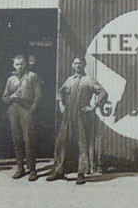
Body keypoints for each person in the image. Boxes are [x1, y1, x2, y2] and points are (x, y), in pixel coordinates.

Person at [46, 56, 108, 185]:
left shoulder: (89, 80)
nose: (78, 65)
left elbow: (102, 93)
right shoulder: (69, 80)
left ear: (84, 65)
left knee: (82, 143)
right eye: (75, 63)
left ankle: (81, 173)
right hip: (68, 114)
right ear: (72, 65)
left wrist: (93, 107)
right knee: (61, 142)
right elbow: (60, 92)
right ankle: (59, 171)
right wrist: (61, 105)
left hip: (81, 114)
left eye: (80, 63)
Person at [2, 54, 42, 181]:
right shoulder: (10, 79)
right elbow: (4, 97)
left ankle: (32, 169)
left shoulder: (33, 77)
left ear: (26, 64)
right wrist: (11, 98)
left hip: (27, 109)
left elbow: (38, 95)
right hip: (14, 110)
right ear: (13, 65)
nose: (20, 66)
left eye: (22, 64)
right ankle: (20, 167)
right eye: (17, 64)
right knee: (17, 139)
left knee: (29, 139)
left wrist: (32, 109)